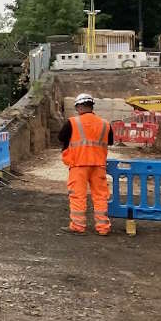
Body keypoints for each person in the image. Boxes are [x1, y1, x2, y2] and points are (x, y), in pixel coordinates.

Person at [59, 93, 114, 235]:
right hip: (99, 166)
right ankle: (103, 228)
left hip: (79, 165)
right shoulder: (105, 124)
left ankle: (78, 226)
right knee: (101, 196)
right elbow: (110, 142)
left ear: (79, 107)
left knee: (77, 195)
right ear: (91, 106)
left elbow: (61, 137)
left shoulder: (72, 122)